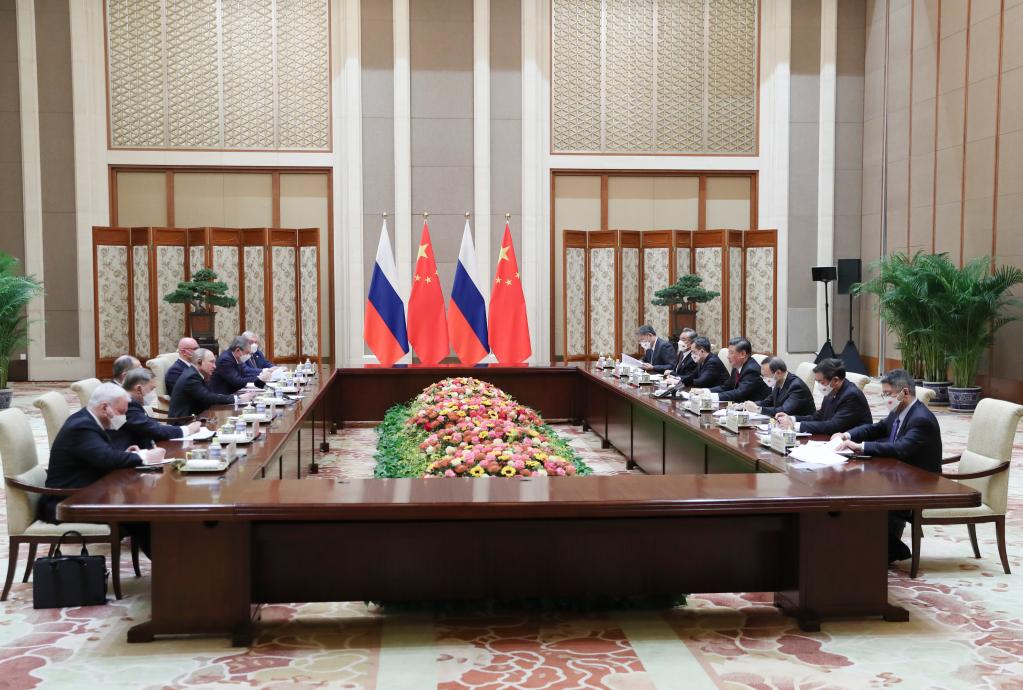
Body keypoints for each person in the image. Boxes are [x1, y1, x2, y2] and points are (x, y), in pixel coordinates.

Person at [38, 383, 164, 556]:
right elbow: (107, 458)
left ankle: (172, 563)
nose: (124, 418)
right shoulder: (81, 427)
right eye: (121, 412)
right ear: (105, 407)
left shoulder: (88, 420)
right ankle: (170, 565)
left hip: (86, 494)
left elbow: (101, 456)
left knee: (142, 511)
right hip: (67, 502)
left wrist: (127, 454)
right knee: (139, 515)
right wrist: (145, 457)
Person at [834, 369, 943, 563]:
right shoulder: (898, 411)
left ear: (905, 393)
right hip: (898, 473)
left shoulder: (921, 419)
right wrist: (847, 435)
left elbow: (900, 448)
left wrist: (860, 447)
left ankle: (891, 549)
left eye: (888, 394)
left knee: (862, 494)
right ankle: (877, 546)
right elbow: (876, 428)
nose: (885, 398)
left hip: (919, 481)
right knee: (850, 487)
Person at [110, 368, 202, 451]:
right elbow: (151, 428)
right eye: (152, 389)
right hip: (129, 454)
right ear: (139, 389)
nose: (153, 393)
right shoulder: (126, 404)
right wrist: (188, 429)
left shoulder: (130, 401)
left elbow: (149, 424)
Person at [775, 358, 872, 435]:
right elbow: (820, 416)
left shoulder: (852, 395)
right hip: (833, 439)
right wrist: (792, 419)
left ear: (835, 380)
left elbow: (834, 426)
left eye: (821, 382)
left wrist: (795, 425)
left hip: (853, 444)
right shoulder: (831, 390)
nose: (819, 386)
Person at [169, 348, 256, 418]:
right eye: (211, 362)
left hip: (197, 417)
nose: (215, 366)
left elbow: (210, 395)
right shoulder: (191, 377)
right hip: (184, 422)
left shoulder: (197, 374)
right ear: (199, 362)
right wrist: (238, 399)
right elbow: (208, 397)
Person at [745, 356, 816, 417]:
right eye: (762, 376)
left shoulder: (797, 386)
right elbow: (768, 402)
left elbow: (784, 411)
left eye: (765, 375)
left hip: (800, 424)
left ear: (778, 373)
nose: (764, 379)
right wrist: (749, 404)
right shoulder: (779, 381)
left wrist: (758, 409)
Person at [706, 337, 769, 403]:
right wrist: (705, 391)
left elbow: (739, 393)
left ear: (743, 354)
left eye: (731, 353)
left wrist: (711, 397)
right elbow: (727, 386)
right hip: (741, 406)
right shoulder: (737, 366)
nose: (728, 356)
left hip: (756, 407)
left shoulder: (752, 370)